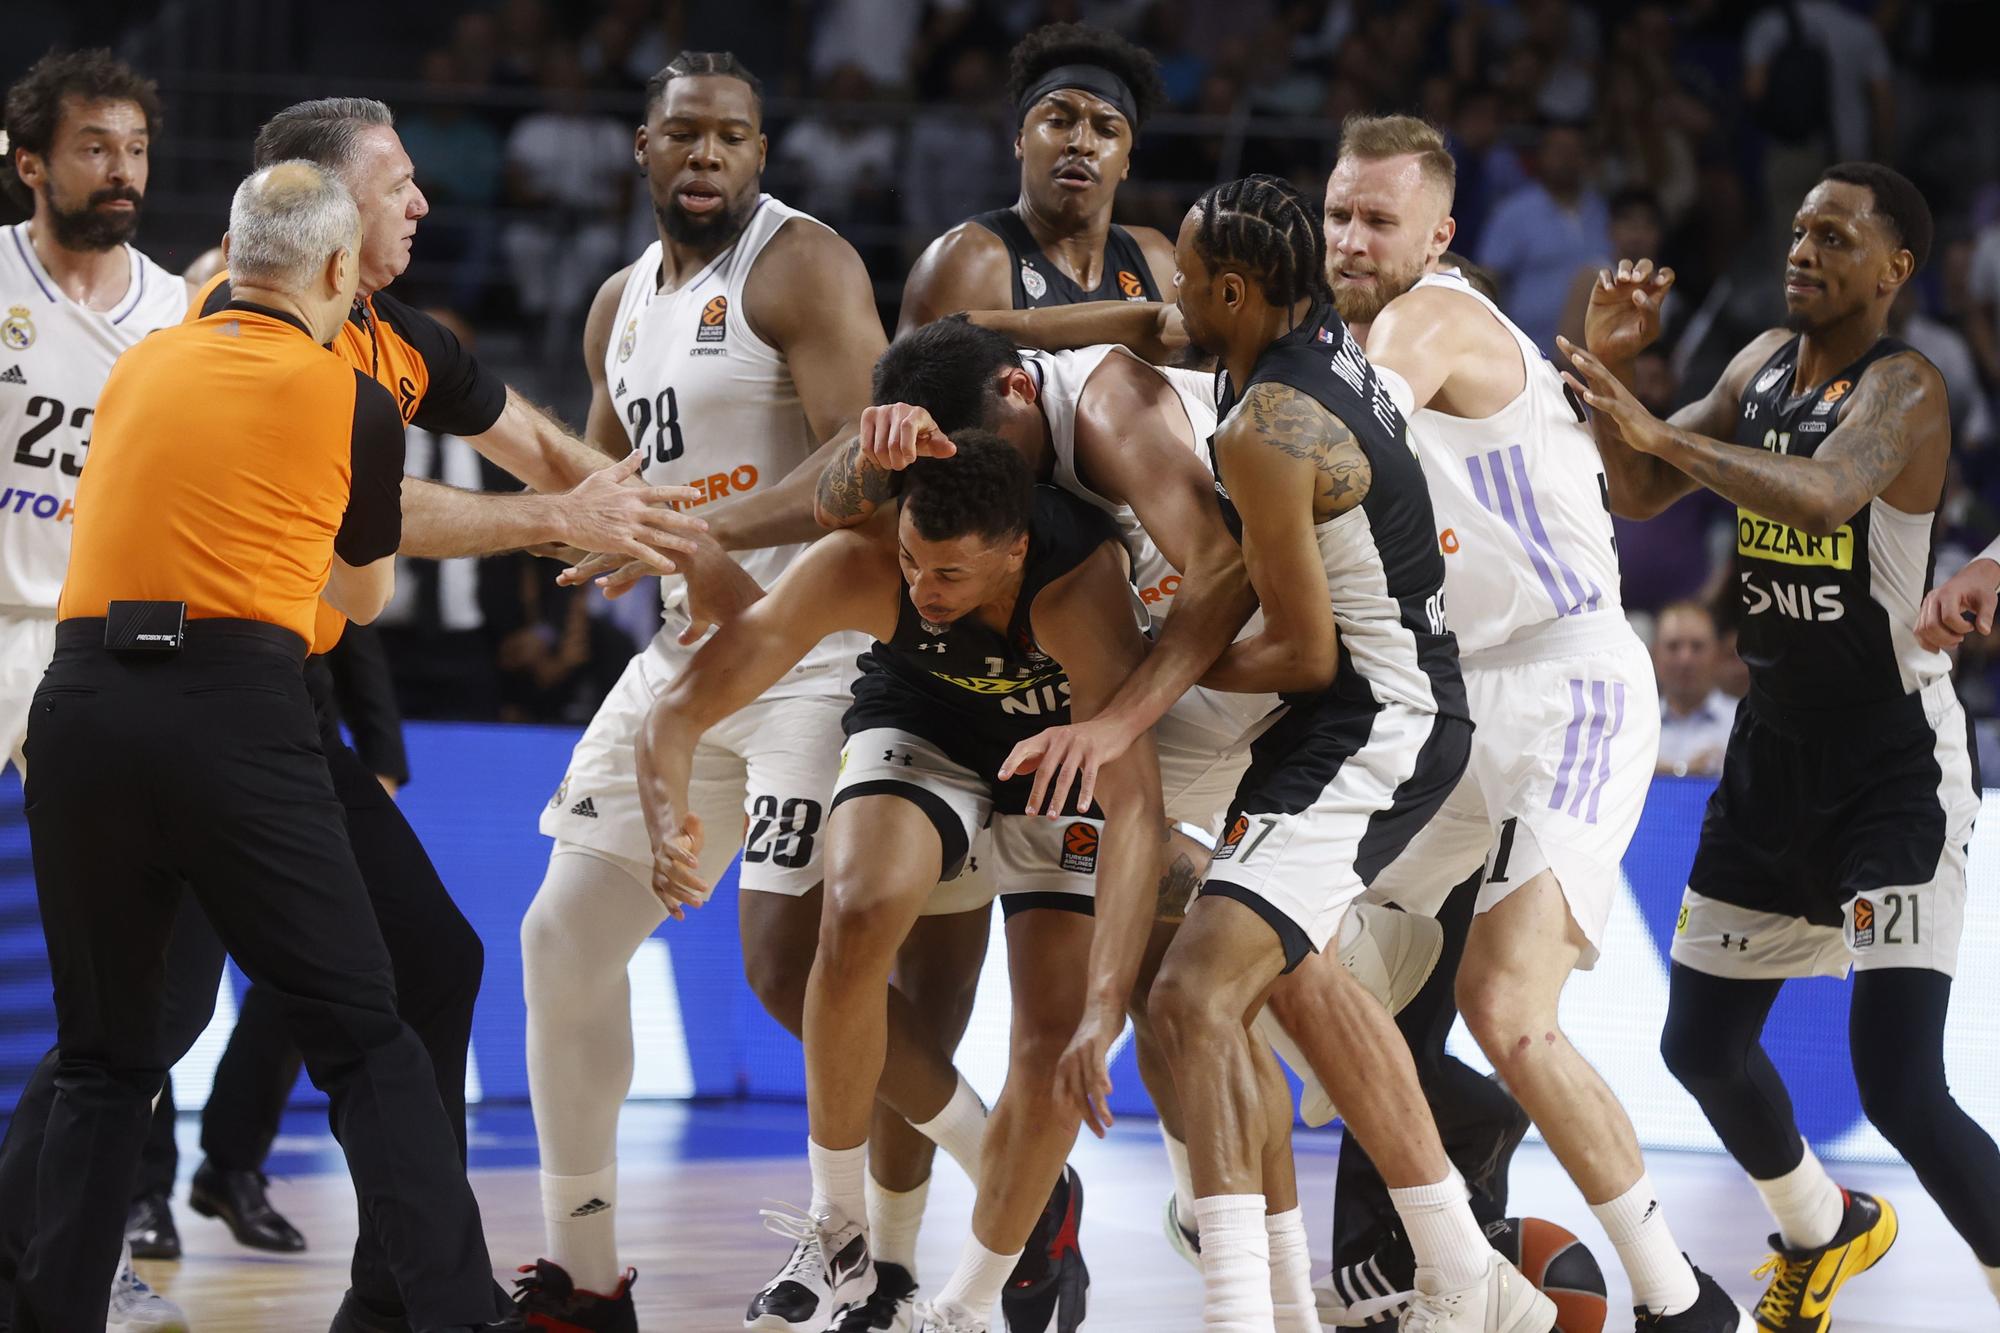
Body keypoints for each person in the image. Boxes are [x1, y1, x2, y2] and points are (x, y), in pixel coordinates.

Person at [0, 89, 706, 1333]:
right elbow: (358, 568)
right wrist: (558, 524)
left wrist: (670, 526)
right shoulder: (241, 320)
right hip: (241, 699)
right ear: (326, 217)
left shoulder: (363, 337)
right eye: (399, 187)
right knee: (291, 1024)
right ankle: (434, 1304)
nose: (424, 204)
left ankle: (383, 1289)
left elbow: (531, 447)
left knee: (423, 963)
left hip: (145, 693)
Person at [818, 315, 1448, 1313]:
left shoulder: (1112, 408)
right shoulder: (989, 434)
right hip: (1182, 670)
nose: (976, 472)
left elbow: (1260, 609)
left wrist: (1116, 714)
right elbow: (826, 496)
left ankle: (1334, 985)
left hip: (1284, 670)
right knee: (1186, 996)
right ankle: (1277, 1291)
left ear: (1016, 394)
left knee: (1202, 972)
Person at [13, 159, 517, 1333]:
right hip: (234, 711)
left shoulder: (138, 365)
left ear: (232, 257)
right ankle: (455, 1315)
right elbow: (366, 596)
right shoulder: (357, 400)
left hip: (79, 704)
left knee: (103, 1059)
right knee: (364, 1039)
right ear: (339, 269)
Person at [511, 53, 918, 1333]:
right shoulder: (616, 304)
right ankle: (583, 1274)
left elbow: (869, 464)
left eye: (732, 139)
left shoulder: (802, 265)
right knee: (559, 942)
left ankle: (974, 1188)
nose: (707, 157)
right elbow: (612, 472)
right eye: (683, 135)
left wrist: (720, 529)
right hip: (688, 653)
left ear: (759, 153)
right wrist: (564, 543)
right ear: (642, 146)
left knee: (791, 967)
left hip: (817, 655)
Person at [1566, 160, 2000, 1326]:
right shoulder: (1756, 361)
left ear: (1894, 268)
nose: (1801, 250)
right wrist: (1610, 377)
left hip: (1888, 764)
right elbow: (1642, 490)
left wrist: (1662, 429)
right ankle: (1825, 1226)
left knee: (1901, 1086)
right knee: (1699, 1046)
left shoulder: (1904, 387)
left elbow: (1817, 497)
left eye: (1834, 235)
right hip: (1769, 754)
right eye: (1799, 230)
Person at [1140, 173, 1550, 1333]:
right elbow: (1148, 324)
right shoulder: (1311, 337)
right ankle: (1465, 1275)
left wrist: (1148, 666)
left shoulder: (1265, 426)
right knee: (1300, 977)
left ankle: (1246, 1310)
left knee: (1187, 996)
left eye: (1184, 276)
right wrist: (998, 333)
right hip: (1391, 704)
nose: (1170, 297)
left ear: (1232, 288)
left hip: (1375, 717)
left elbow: (1299, 649)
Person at [637, 434, 1164, 1333]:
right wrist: (663, 817)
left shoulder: (1080, 589)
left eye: (951, 575)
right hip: (924, 731)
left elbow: (1139, 813)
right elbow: (680, 709)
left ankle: (967, 1301)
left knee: (1049, 1034)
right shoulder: (862, 563)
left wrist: (1108, 1001)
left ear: (1016, 550)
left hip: (1061, 760)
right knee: (853, 910)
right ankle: (837, 1226)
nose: (924, 590)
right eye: (914, 561)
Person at [0, 47, 213, 1331]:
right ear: (30, 160)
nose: (120, 169)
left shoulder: (178, 316)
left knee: (134, 966)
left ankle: (86, 1230)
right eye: (94, 146)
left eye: (134, 147)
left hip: (96, 643)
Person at [898, 22, 1176, 333]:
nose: (1081, 143)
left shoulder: (1158, 261)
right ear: (1020, 141)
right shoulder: (968, 260)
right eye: (1058, 121)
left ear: (1126, 162)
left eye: (1106, 130)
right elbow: (907, 380)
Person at [1653, 600, 1736, 779]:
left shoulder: (1742, 723)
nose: (1685, 659)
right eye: (1673, 646)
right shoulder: (1634, 724)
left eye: (1697, 646)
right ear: (1655, 655)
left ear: (1717, 654)